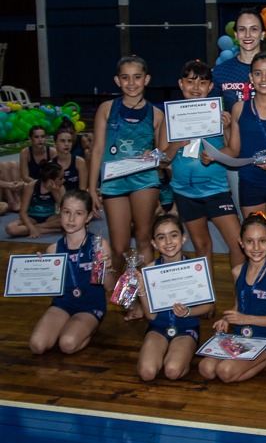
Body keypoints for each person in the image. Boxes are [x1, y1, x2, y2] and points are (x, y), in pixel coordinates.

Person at [212, 52, 266, 266]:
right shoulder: (239, 108)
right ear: (251, 77)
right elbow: (234, 149)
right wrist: (213, 154)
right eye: (258, 74)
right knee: (255, 250)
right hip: (249, 185)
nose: (264, 79)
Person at [88, 55, 167, 280]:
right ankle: (114, 291)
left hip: (144, 181)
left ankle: (147, 293)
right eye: (125, 78)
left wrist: (154, 155)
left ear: (146, 79)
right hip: (114, 183)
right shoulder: (106, 109)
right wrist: (91, 187)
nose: (131, 83)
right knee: (119, 246)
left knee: (143, 238)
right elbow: (97, 149)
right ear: (117, 80)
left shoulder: (157, 115)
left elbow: (163, 156)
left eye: (137, 77)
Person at [211, 8, 266, 216]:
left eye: (254, 29)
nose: (248, 35)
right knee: (248, 224)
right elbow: (209, 112)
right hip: (237, 158)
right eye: (242, 29)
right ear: (235, 34)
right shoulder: (221, 72)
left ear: (263, 34)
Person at [165, 60, 243, 276]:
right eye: (190, 82)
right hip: (185, 193)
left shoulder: (219, 115)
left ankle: (240, 293)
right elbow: (162, 160)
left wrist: (227, 128)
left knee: (237, 244)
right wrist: (175, 144)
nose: (196, 87)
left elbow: (232, 150)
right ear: (181, 84)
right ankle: (206, 295)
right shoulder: (171, 117)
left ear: (210, 87)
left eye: (202, 83)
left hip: (216, 190)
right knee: (202, 246)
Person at [199, 213, 266, 383]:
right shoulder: (237, 271)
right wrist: (226, 319)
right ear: (241, 242)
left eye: (262, 241)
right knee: (206, 369)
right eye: (249, 241)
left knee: (225, 372)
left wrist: (245, 319)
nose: (256, 247)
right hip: (241, 337)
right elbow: (239, 306)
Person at [29, 190, 114, 354]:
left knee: (67, 344)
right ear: (59, 211)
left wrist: (106, 269)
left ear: (88, 217)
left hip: (90, 306)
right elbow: (51, 291)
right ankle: (70, 327)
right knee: (37, 345)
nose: (71, 219)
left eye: (78, 213)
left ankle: (90, 328)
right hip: (63, 304)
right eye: (67, 212)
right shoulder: (53, 249)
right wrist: (39, 271)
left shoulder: (98, 245)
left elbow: (109, 287)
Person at [135, 214, 214, 381]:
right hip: (158, 327)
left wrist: (188, 312)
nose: (168, 242)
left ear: (183, 238)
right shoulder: (150, 271)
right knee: (147, 373)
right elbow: (151, 316)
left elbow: (208, 306)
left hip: (186, 327)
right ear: (154, 243)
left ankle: (183, 354)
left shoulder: (195, 268)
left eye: (173, 235)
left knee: (172, 371)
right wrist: (141, 290)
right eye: (161, 237)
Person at [6, 161, 64, 238]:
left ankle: (40, 228)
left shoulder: (60, 188)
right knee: (11, 228)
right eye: (61, 178)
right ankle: (47, 230)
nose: (64, 180)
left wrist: (54, 192)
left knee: (68, 220)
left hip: (51, 217)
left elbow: (64, 209)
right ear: (51, 180)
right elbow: (22, 212)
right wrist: (31, 227)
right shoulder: (31, 186)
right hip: (32, 217)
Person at [51, 126, 87, 192]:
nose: (66, 144)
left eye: (69, 141)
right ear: (55, 143)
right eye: (62, 141)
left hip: (77, 197)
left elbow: (82, 190)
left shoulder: (79, 162)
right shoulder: (50, 165)